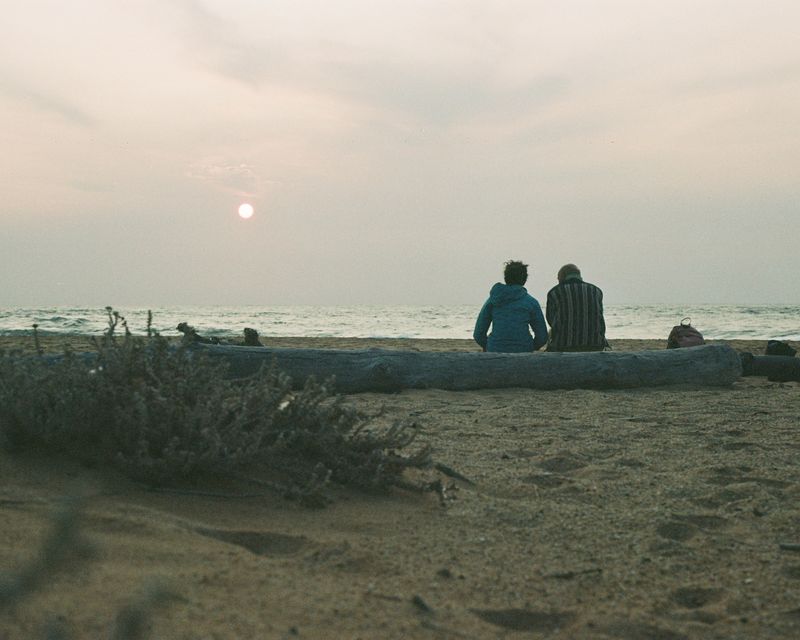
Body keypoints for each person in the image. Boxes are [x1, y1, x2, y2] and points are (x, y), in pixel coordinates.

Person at [473, 260, 548, 353]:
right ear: (524, 279)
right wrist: (529, 346)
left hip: (495, 350)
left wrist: (490, 346)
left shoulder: (493, 300)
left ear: (506, 278)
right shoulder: (531, 302)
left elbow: (478, 333)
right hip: (523, 350)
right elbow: (542, 337)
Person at [545, 263, 608, 352]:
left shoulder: (555, 292)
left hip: (563, 345)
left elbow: (551, 320)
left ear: (562, 277)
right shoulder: (596, 291)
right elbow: (600, 318)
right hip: (594, 344)